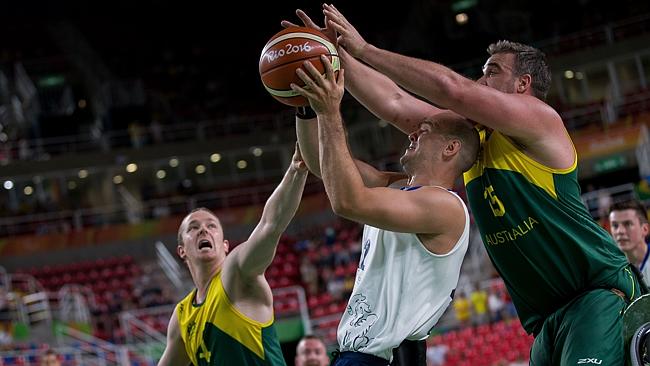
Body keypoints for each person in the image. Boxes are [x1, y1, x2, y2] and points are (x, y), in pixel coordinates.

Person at [306, 3, 647, 364]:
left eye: (491, 72)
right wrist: (333, 54)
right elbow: (394, 102)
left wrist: (365, 50)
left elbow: (454, 90)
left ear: (522, 84)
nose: (481, 81)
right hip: (546, 318)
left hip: (597, 293)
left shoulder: (540, 122)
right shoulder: (471, 140)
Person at [289, 45, 480, 365]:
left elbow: (348, 201)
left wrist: (330, 111)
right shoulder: (396, 188)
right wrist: (307, 106)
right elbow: (321, 164)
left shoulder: (445, 207)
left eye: (428, 128)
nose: (416, 130)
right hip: (362, 355)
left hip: (383, 359)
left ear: (451, 148)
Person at [157, 145, 309, 365]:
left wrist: (296, 170)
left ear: (225, 245)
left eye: (212, 226)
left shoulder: (237, 272)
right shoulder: (182, 316)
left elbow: (270, 225)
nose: (203, 230)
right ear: (182, 251)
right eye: (193, 227)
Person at [609, 199, 650, 282]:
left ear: (645, 229)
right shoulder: (611, 270)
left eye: (628, 224)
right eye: (615, 225)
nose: (619, 231)